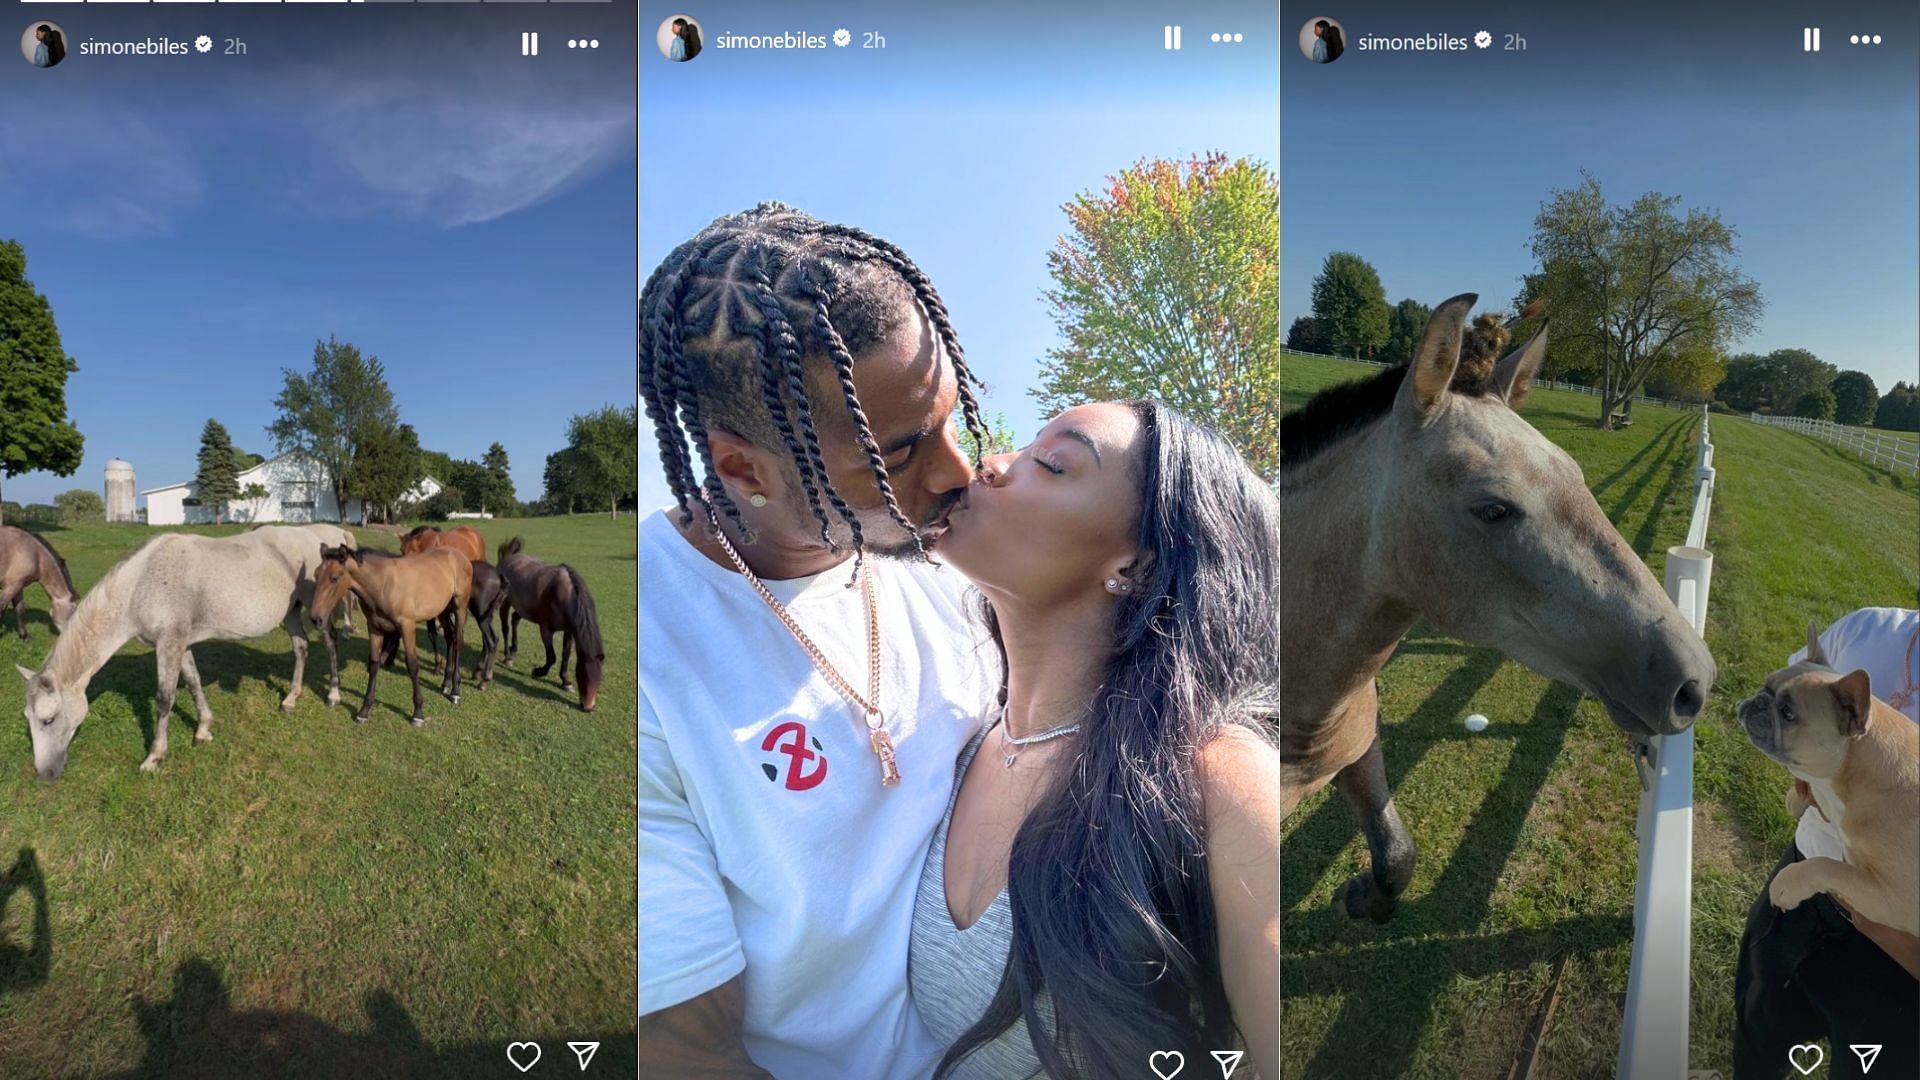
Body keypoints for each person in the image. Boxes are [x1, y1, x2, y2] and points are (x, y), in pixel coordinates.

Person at [637, 204, 1000, 1078]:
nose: (957, 474)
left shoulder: (935, 553)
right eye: (898, 454)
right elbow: (689, 1057)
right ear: (742, 470)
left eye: (955, 419)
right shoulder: (649, 661)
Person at [911, 401, 1280, 1079]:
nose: (986, 466)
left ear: (1136, 565)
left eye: (1052, 464)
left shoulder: (1214, 783)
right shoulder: (962, 750)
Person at [1733, 606, 1920, 1080]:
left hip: (1895, 963)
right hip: (1803, 881)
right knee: (1759, 1021)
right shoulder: (1869, 628)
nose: (1763, 708)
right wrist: (1805, 777)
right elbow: (1804, 683)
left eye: (1783, 711)